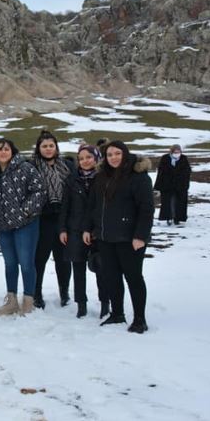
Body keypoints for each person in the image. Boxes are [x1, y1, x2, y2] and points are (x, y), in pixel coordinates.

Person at [83, 141, 154, 334]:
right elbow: (93, 206)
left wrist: (141, 235)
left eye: (117, 153)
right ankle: (117, 313)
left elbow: (147, 209)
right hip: (105, 237)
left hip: (129, 238)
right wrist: (88, 228)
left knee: (133, 277)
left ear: (125, 154)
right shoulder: (101, 177)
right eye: (109, 154)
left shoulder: (138, 177)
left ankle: (140, 319)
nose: (113, 157)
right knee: (111, 277)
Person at [0, 138, 45, 317]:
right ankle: (11, 301)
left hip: (26, 224)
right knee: (10, 264)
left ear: (13, 151)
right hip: (3, 226)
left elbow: (39, 190)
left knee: (26, 263)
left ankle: (28, 301)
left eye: (6, 149)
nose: (3, 152)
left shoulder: (25, 168)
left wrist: (25, 210)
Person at [59, 145, 107, 318]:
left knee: (101, 268)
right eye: (81, 158)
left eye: (88, 157)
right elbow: (65, 206)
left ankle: (105, 303)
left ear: (96, 158)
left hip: (98, 230)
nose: (85, 161)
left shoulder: (103, 178)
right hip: (75, 229)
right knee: (78, 268)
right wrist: (63, 228)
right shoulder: (72, 180)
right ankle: (81, 304)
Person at [30, 130, 75, 309]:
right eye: (44, 146)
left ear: (56, 147)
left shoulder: (67, 166)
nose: (48, 149)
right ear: (38, 148)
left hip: (64, 218)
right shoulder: (32, 166)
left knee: (64, 258)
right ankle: (36, 292)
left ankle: (64, 292)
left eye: (51, 146)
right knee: (39, 258)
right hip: (42, 218)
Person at [154, 144, 191, 225]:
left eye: (179, 152)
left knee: (179, 202)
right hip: (167, 185)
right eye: (175, 152)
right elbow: (160, 172)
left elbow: (187, 172)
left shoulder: (183, 158)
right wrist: (157, 186)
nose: (177, 154)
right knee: (168, 202)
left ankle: (177, 218)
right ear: (171, 152)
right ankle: (168, 217)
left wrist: (185, 184)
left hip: (180, 185)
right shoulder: (165, 158)